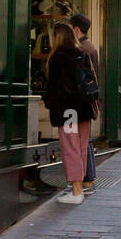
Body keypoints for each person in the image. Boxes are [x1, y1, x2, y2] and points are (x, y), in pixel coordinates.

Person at [44, 22, 97, 205]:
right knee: (81, 148)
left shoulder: (58, 58)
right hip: (84, 109)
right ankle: (78, 187)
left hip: (68, 110)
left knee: (70, 149)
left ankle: (76, 191)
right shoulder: (82, 54)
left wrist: (49, 102)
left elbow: (55, 88)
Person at [69, 13, 101, 194]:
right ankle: (88, 176)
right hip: (89, 97)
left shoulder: (82, 48)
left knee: (81, 140)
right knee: (84, 139)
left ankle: (87, 177)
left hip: (83, 98)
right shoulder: (89, 46)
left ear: (76, 29)